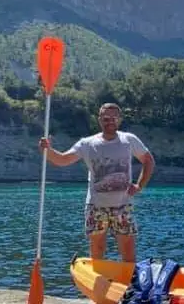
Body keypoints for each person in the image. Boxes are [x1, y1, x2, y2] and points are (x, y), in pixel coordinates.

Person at [38, 102, 155, 263]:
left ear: (120, 119)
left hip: (123, 206)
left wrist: (139, 185)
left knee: (128, 253)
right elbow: (62, 160)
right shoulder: (87, 143)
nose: (110, 121)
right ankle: (98, 277)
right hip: (96, 206)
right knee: (97, 251)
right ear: (99, 120)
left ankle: (129, 278)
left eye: (114, 118)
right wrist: (48, 151)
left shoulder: (129, 140)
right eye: (106, 118)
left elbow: (148, 161)